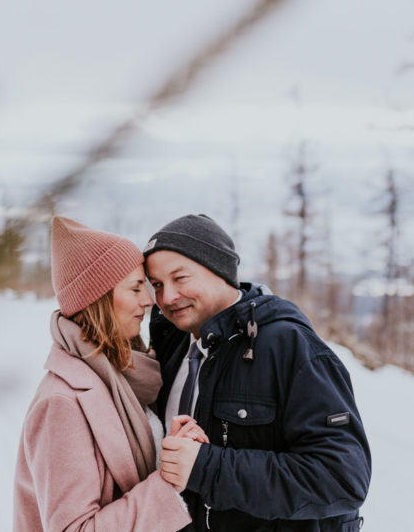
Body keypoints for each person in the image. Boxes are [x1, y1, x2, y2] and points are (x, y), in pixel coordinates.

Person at [145, 214, 371, 532]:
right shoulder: (173, 345)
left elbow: (342, 478)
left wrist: (205, 468)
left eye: (180, 278)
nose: (167, 297)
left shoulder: (289, 345)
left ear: (218, 269)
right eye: (157, 285)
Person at [13, 217, 206, 532]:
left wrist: (170, 449)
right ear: (98, 299)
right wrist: (167, 481)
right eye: (134, 288)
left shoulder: (123, 379)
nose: (148, 300)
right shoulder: (62, 402)